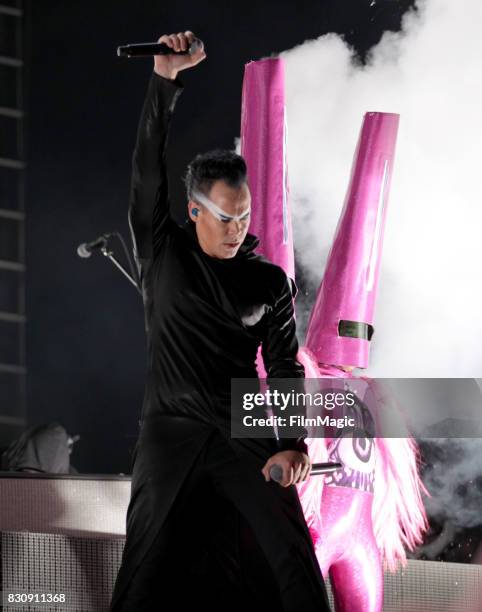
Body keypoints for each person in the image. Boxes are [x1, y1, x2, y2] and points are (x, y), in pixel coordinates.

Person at [110, 30, 330, 611]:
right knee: (145, 568)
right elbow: (146, 173)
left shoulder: (268, 281)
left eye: (245, 216)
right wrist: (164, 81)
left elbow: (283, 366)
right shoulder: (163, 251)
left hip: (244, 427)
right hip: (171, 429)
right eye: (224, 217)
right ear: (193, 211)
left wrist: (293, 441)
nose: (236, 229)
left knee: (293, 561)